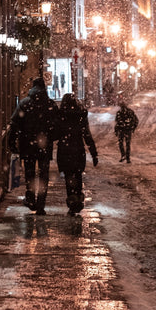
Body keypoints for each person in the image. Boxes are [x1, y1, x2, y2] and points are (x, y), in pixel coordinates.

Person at [9, 77, 58, 214]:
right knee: (43, 174)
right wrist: (50, 138)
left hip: (27, 144)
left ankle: (30, 198)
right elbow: (57, 125)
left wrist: (12, 142)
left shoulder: (24, 103)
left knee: (29, 172)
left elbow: (15, 123)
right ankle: (41, 204)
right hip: (44, 145)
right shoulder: (50, 104)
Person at [56, 93, 98, 215]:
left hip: (64, 151)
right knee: (78, 176)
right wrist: (94, 154)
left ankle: (72, 201)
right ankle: (78, 199)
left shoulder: (61, 116)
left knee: (69, 177)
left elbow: (55, 133)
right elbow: (87, 136)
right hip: (78, 150)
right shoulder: (80, 116)